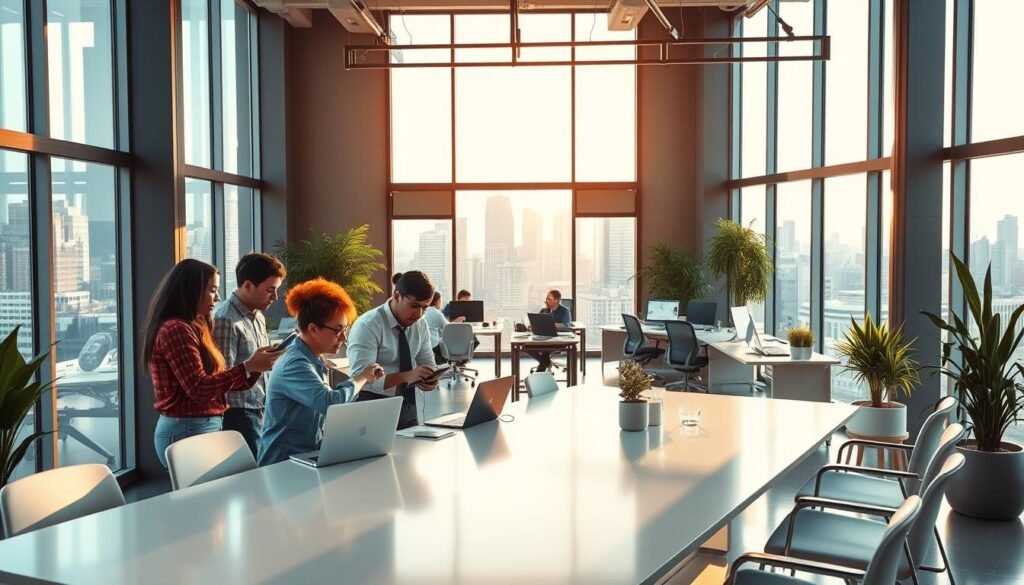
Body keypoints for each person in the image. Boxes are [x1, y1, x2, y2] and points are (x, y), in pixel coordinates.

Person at [142, 259, 281, 469]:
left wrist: (254, 367)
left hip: (200, 426)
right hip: (187, 428)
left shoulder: (196, 325)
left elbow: (220, 381)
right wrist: (247, 367)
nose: (217, 297)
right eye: (212, 290)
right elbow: (198, 388)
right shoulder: (176, 330)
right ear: (191, 291)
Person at [257, 278, 385, 466]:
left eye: (345, 330)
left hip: (306, 459)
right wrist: (362, 377)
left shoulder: (313, 358)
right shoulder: (295, 363)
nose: (343, 337)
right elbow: (329, 402)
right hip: (282, 465)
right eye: (338, 330)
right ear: (313, 329)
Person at [212, 253, 286, 457]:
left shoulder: (258, 315)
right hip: (238, 413)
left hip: (260, 406)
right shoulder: (225, 319)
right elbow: (222, 377)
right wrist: (252, 366)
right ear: (247, 285)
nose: (275, 297)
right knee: (253, 474)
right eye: (270, 290)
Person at [347, 270, 439, 429]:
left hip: (408, 405)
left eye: (425, 308)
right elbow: (362, 380)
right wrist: (408, 376)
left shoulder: (420, 324)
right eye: (414, 306)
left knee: (410, 452)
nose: (419, 314)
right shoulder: (368, 325)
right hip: (372, 407)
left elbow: (428, 362)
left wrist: (431, 378)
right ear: (397, 296)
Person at [527, 289, 573, 372]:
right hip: (542, 338)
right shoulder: (544, 310)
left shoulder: (565, 311)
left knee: (546, 349)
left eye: (549, 299)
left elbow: (566, 325)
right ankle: (545, 362)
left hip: (557, 340)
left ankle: (540, 371)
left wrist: (552, 324)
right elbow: (537, 321)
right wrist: (532, 325)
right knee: (526, 347)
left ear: (557, 300)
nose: (546, 301)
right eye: (546, 299)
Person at [424, 291, 465, 363]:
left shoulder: (424, 310)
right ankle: (457, 361)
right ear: (437, 301)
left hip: (425, 344)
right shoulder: (436, 313)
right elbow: (448, 327)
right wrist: (458, 320)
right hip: (434, 346)